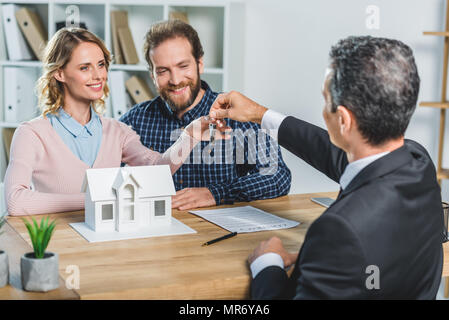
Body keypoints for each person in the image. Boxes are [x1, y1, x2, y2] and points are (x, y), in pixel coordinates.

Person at [209, 36, 444, 299]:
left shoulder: (339, 229)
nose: (323, 110)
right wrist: (259, 113)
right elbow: (332, 154)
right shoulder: (417, 162)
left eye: (326, 100)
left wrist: (267, 263)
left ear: (343, 119)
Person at [4, 28, 220, 216]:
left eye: (101, 64)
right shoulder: (32, 133)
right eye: (85, 68)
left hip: (106, 243)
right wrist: (95, 198)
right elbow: (16, 201)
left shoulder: (117, 131)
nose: (98, 75)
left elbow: (157, 168)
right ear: (60, 73)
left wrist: (188, 137)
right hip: (59, 246)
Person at [120, 20, 291, 210]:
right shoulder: (133, 121)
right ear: (152, 75)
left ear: (199, 64)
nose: (175, 80)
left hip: (218, 234)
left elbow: (278, 176)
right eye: (163, 71)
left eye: (183, 66)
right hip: (155, 233)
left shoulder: (234, 114)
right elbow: (104, 181)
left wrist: (215, 193)